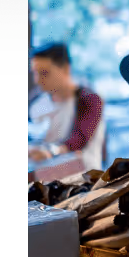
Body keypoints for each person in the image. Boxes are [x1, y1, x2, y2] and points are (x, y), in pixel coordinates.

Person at [28, 42, 107, 171]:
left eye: (44, 73)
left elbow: (79, 139)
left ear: (65, 69)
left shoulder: (89, 99)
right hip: (45, 177)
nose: (37, 80)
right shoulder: (36, 103)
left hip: (84, 177)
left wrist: (50, 152)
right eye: (35, 73)